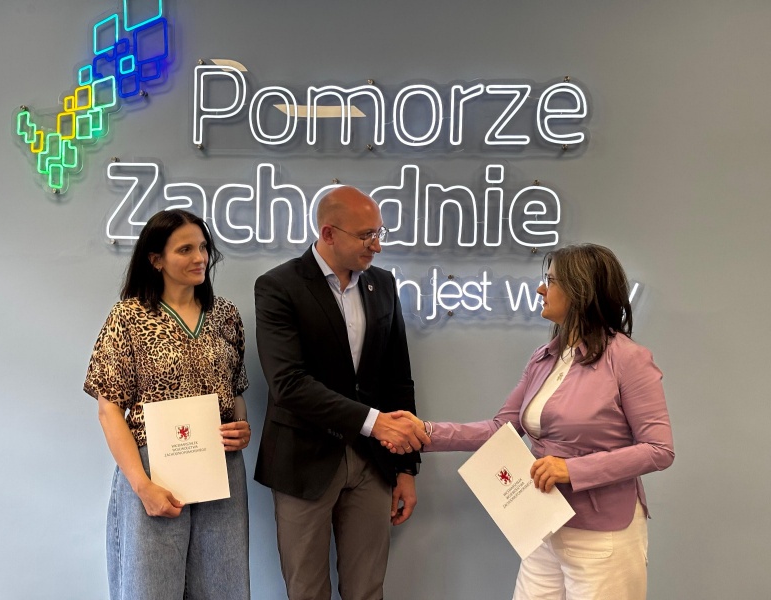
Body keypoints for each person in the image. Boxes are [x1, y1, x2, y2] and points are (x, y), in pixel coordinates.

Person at [388, 243, 674, 600]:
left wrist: (572, 469)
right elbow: (500, 429)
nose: (540, 289)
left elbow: (659, 450)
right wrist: (425, 432)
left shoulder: (629, 360)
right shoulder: (545, 358)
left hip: (603, 535)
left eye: (551, 281)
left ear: (581, 290)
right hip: (544, 525)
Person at [253, 185, 430, 600]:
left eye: (379, 233)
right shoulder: (279, 286)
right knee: (306, 591)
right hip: (303, 460)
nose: (377, 246)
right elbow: (288, 384)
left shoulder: (382, 285)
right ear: (328, 233)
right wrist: (373, 422)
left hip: (374, 463)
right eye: (366, 236)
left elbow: (397, 379)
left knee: (367, 589)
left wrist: (406, 468)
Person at [84, 209, 251, 600]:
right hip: (154, 470)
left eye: (203, 248)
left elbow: (236, 390)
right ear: (156, 259)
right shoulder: (128, 317)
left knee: (223, 586)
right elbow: (109, 409)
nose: (200, 258)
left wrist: (241, 428)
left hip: (220, 469)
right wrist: (141, 486)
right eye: (185, 249)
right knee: (150, 588)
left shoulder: (224, 315)